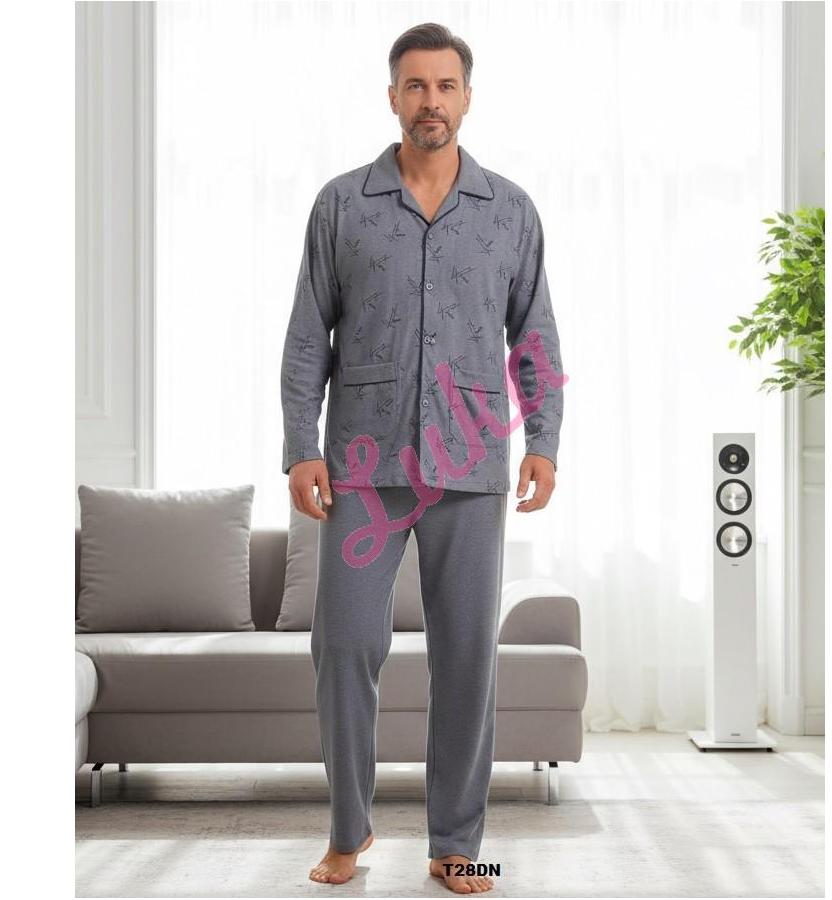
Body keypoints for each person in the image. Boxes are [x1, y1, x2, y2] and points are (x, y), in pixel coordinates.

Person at [280, 22, 565, 894]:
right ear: (393, 96)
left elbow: (534, 337)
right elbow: (307, 339)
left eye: (445, 85)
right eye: (415, 85)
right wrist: (300, 448)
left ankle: (456, 843)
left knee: (468, 655)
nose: (430, 101)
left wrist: (544, 441)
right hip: (362, 468)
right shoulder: (342, 204)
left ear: (467, 97)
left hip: (471, 465)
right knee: (344, 645)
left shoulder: (510, 211)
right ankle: (349, 830)